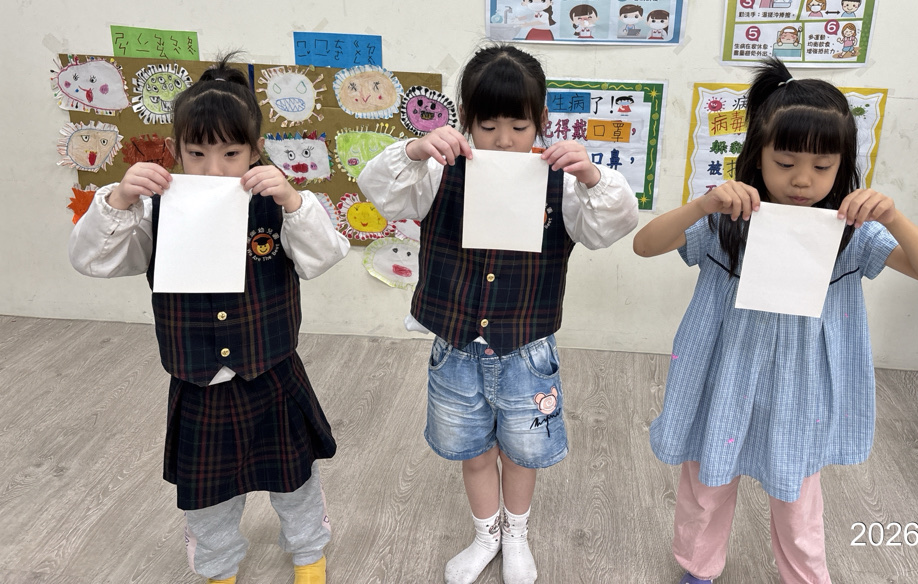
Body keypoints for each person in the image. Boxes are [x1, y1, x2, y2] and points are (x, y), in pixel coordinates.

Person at [633, 57, 918, 584]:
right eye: (784, 163)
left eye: (822, 167)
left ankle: (805, 577)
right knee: (706, 489)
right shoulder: (728, 220)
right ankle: (697, 569)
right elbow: (645, 246)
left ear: (843, 166)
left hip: (800, 389)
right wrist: (702, 205)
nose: (802, 180)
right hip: (723, 377)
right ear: (757, 156)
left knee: (799, 504)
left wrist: (893, 217)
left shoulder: (850, 232)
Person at [358, 45, 638, 584]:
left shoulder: (561, 183)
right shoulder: (439, 173)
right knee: (473, 451)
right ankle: (486, 535)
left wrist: (591, 177)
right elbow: (381, 190)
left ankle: (517, 535)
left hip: (527, 351)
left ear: (542, 121)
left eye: (519, 125)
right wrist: (415, 148)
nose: (504, 139)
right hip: (456, 349)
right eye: (488, 125)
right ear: (466, 119)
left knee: (523, 453)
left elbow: (610, 226)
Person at [68, 57, 350, 584]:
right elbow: (93, 260)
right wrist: (119, 198)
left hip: (272, 372)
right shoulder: (153, 210)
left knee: (295, 479)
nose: (213, 169)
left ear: (255, 150)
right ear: (174, 149)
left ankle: (309, 551)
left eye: (230, 154)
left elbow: (323, 256)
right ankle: (218, 566)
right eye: (196, 154)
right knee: (206, 497)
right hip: (198, 381)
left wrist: (292, 200)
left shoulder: (277, 205)